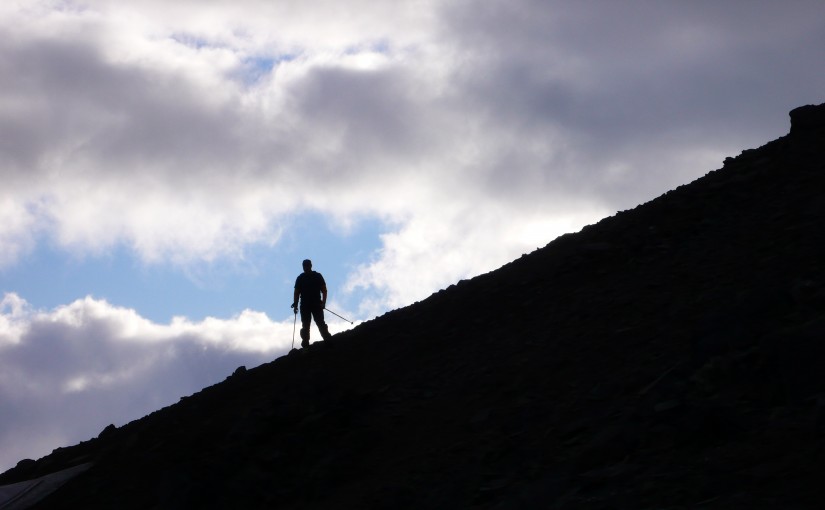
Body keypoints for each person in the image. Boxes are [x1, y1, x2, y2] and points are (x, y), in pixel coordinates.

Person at [292, 259, 332, 348]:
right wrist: (295, 304)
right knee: (311, 324)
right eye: (304, 266)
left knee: (314, 323)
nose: (305, 267)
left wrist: (295, 305)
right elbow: (324, 290)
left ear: (310, 266)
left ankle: (323, 340)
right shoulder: (315, 276)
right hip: (312, 304)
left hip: (312, 304)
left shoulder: (302, 278)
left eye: (306, 266)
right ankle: (325, 340)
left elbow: (296, 293)